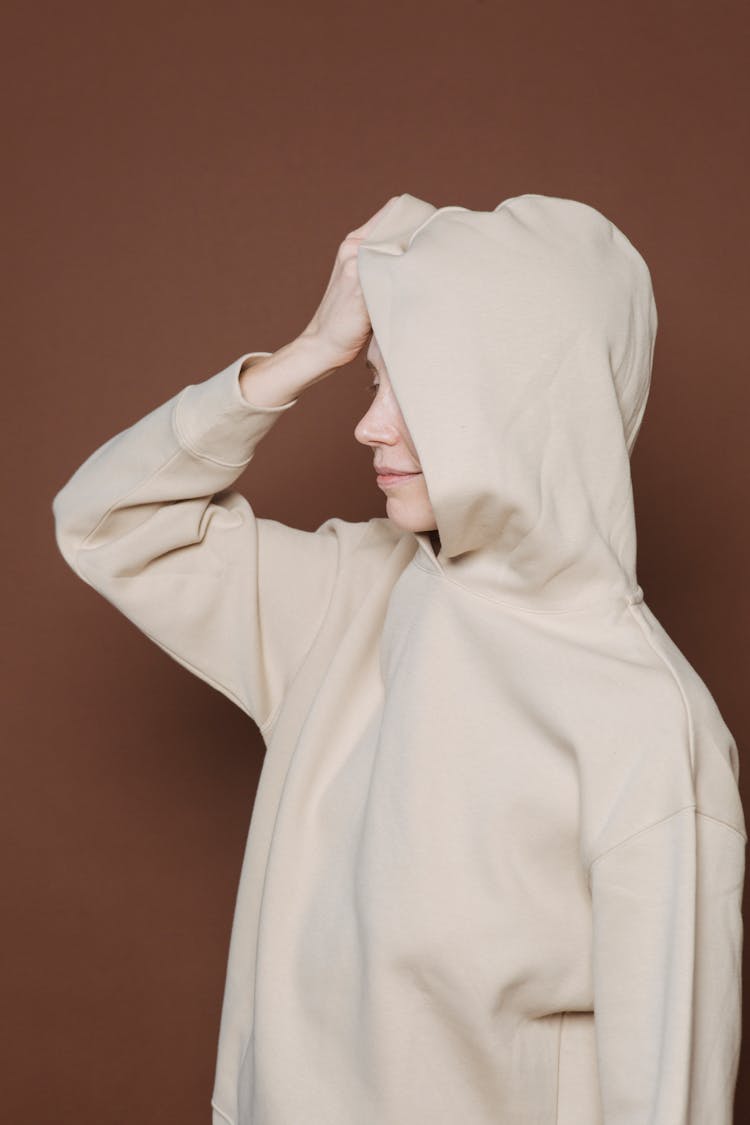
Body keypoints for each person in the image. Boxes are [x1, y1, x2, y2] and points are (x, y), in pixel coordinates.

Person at [52, 192, 746, 1125]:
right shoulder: (352, 595)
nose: (367, 425)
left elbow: (668, 1099)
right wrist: (308, 350)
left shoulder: (647, 725)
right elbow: (107, 522)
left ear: (513, 397)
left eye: (407, 387)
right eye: (371, 380)